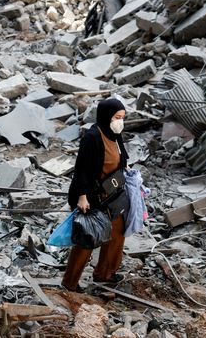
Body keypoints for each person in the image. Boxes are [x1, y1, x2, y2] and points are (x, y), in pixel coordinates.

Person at [61, 97, 129, 292]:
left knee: (117, 231)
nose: (120, 121)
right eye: (117, 117)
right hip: (91, 195)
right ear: (107, 116)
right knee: (89, 236)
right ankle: (70, 282)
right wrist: (82, 196)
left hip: (112, 192)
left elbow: (121, 156)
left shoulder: (115, 134)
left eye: (122, 117)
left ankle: (105, 273)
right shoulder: (93, 137)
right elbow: (81, 169)